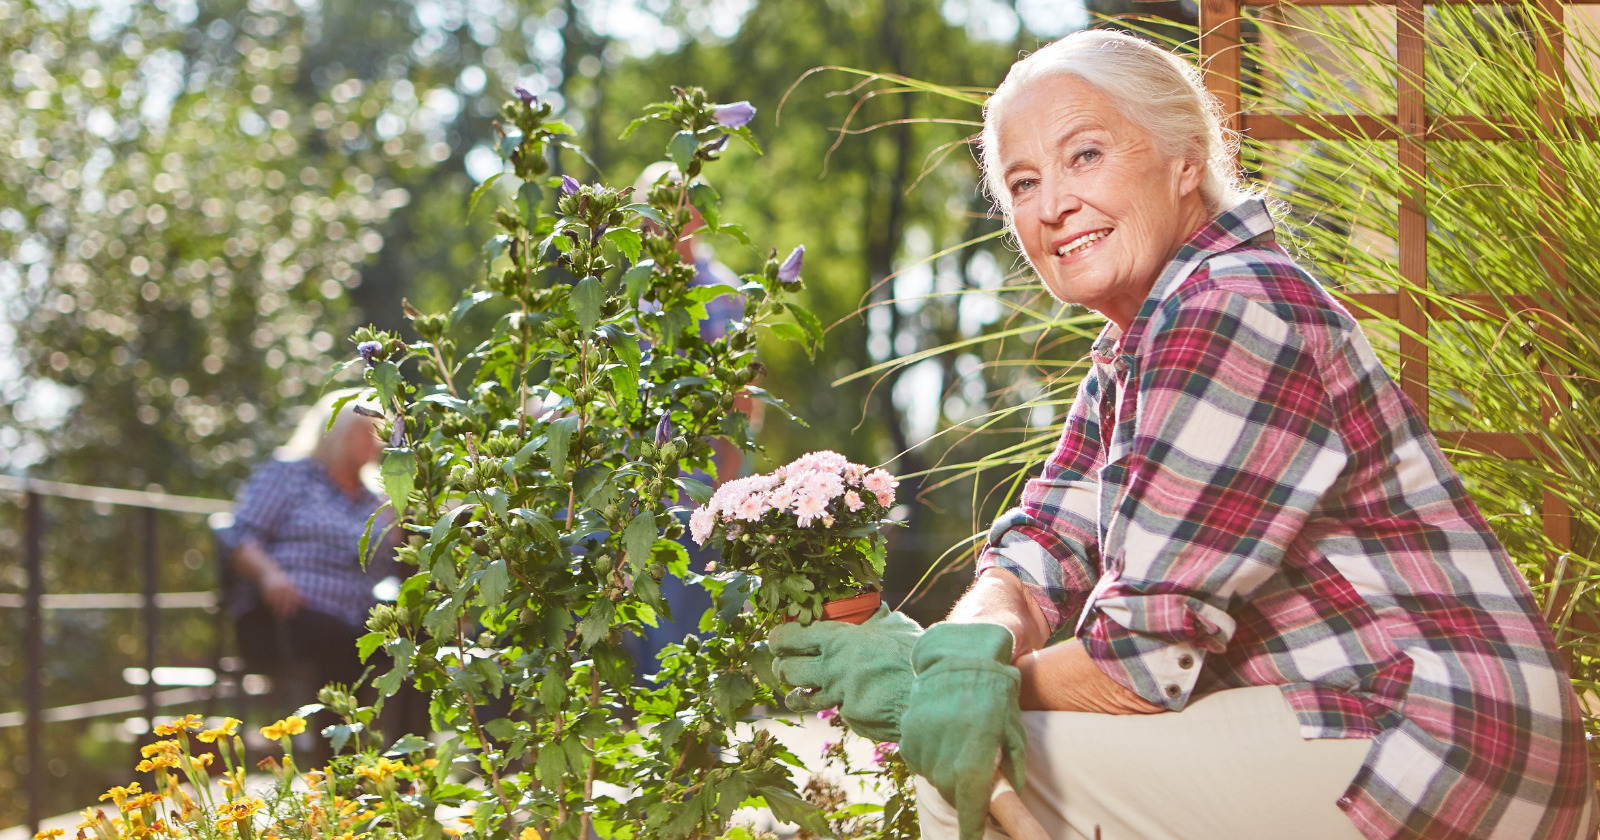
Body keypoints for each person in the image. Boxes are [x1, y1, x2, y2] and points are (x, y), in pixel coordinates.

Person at [768, 29, 1595, 840]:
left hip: (1439, 737)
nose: (1052, 204)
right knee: (979, 741)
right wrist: (964, 649)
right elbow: (1043, 540)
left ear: (1186, 160)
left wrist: (930, 692)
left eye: (1084, 155)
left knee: (974, 770)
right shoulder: (1140, 340)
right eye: (1022, 183)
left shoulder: (1229, 308)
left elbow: (1140, 664)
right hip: (1360, 710)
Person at [220, 390, 399, 714]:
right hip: (289, 610)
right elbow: (240, 535)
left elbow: (391, 564)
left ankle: (406, 756)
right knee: (343, 644)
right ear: (338, 433)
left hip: (359, 613)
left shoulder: (376, 497)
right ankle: (335, 760)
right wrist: (270, 575)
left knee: (410, 644)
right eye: (367, 432)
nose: (377, 440)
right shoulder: (290, 474)